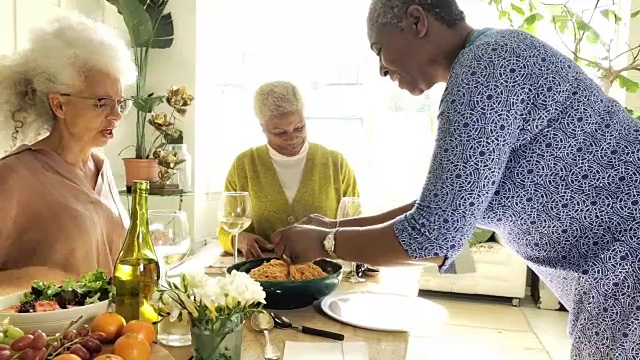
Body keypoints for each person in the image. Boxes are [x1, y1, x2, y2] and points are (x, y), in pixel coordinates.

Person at [271, 0, 640, 359]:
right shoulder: (494, 56)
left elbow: (435, 233)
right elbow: (449, 207)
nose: (381, 69)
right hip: (611, 274)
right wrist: (335, 225)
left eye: (379, 49)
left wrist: (326, 242)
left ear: (417, 21)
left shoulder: (486, 69)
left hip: (625, 268)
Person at [0, 13, 137, 286]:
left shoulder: (101, 168)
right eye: (101, 102)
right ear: (59, 105)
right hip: (44, 329)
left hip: (112, 329)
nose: (117, 115)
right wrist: (39, 277)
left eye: (120, 103)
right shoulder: (12, 177)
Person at [217, 81, 359, 259]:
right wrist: (239, 239)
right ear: (262, 128)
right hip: (263, 278)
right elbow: (225, 230)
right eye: (280, 132)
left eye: (299, 127)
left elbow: (355, 225)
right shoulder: (243, 165)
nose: (292, 138)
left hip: (325, 275)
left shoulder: (335, 164)